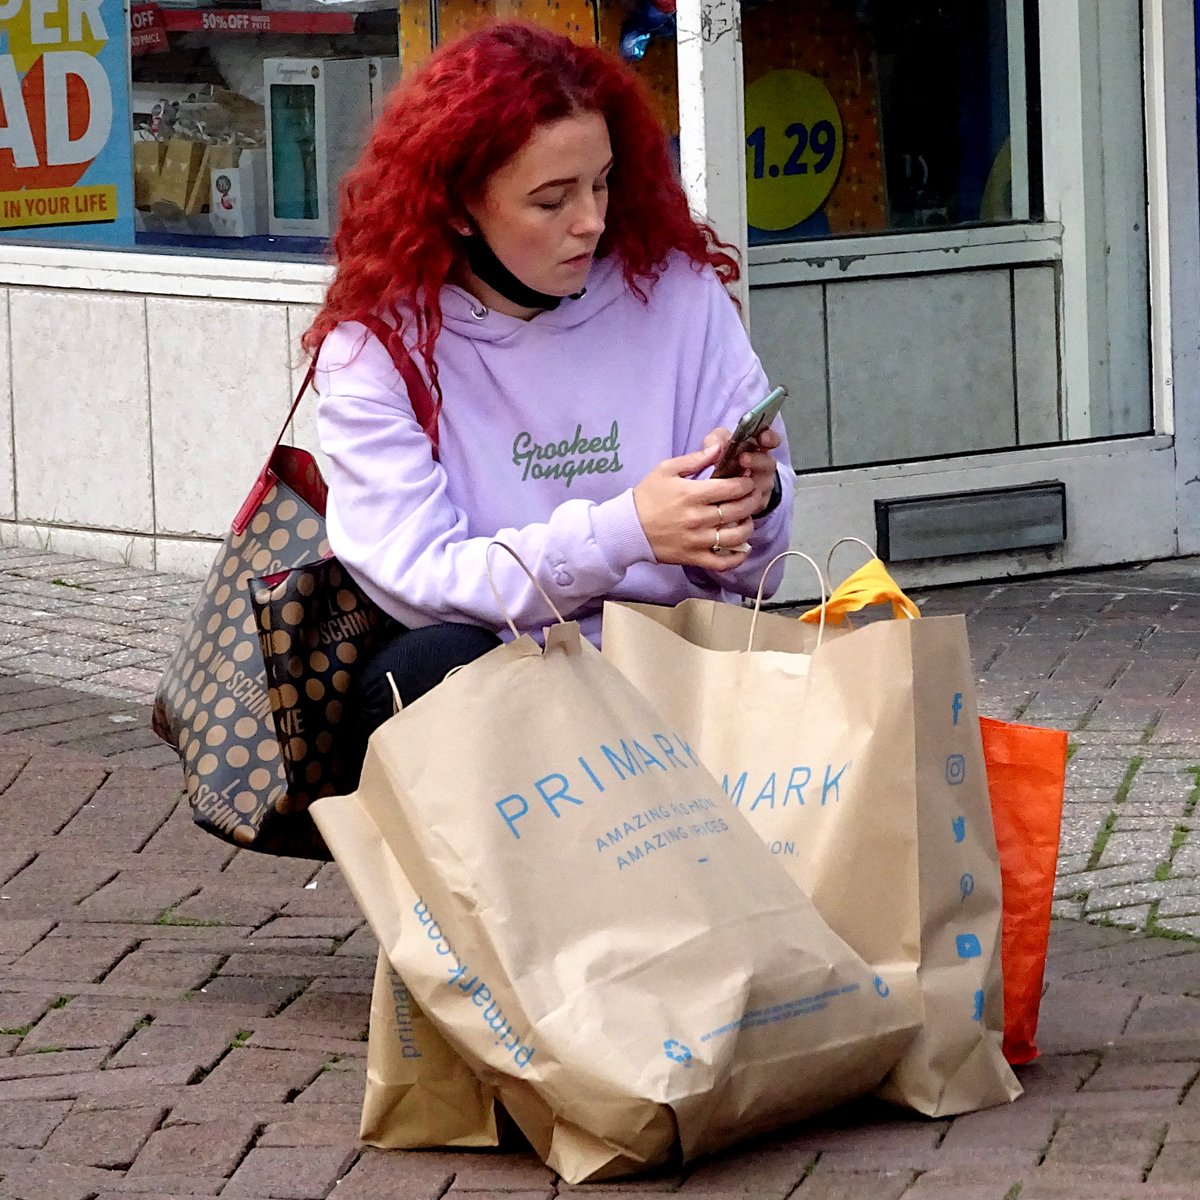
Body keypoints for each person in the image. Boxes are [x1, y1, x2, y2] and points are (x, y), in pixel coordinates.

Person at [305, 20, 794, 734]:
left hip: (673, 657)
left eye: (602, 183)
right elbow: (423, 583)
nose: (592, 221)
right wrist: (622, 534)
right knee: (422, 666)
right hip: (504, 680)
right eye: (552, 199)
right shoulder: (377, 348)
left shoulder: (677, 293)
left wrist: (754, 502)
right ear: (458, 207)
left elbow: (760, 577)